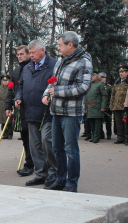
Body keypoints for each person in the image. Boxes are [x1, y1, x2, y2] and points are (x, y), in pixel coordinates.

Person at [42, 31, 93, 193]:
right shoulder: (61, 61)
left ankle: (72, 183)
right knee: (57, 147)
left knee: (71, 149)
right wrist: (46, 94)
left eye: (60, 45)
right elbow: (52, 81)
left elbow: (83, 87)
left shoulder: (84, 62)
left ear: (70, 45)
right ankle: (61, 178)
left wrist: (57, 91)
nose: (58, 48)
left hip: (71, 113)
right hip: (56, 110)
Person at [15, 40, 57, 187]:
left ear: (42, 50)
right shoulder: (27, 68)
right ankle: (40, 173)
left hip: (48, 110)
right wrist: (18, 98)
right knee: (34, 144)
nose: (31, 56)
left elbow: (56, 84)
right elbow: (21, 86)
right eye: (30, 53)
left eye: (33, 53)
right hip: (30, 110)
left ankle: (53, 172)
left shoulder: (54, 65)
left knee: (47, 140)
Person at [5, 45, 34, 176]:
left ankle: (40, 165)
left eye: (22, 54)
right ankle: (29, 165)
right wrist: (7, 106)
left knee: (37, 139)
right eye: (18, 54)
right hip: (20, 109)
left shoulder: (34, 67)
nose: (19, 56)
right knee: (25, 138)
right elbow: (11, 91)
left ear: (29, 54)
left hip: (34, 108)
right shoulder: (16, 71)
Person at [84, 72, 108, 143]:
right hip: (90, 107)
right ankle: (94, 135)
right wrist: (86, 107)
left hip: (97, 106)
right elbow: (87, 97)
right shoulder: (90, 85)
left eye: (93, 76)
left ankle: (96, 137)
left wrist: (103, 106)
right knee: (91, 122)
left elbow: (104, 96)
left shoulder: (101, 84)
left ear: (96, 77)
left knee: (97, 122)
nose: (91, 77)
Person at [110, 63, 128, 144]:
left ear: (127, 73)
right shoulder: (117, 82)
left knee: (126, 123)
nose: (121, 73)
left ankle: (127, 138)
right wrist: (111, 105)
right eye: (120, 72)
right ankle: (120, 137)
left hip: (125, 106)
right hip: (117, 106)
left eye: (123, 72)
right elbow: (113, 94)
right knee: (118, 123)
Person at [0, 75, 13, 139]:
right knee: (2, 120)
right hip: (1, 105)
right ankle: (4, 134)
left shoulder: (11, 87)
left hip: (8, 104)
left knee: (9, 120)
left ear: (8, 81)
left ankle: (10, 134)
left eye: (6, 81)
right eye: (4, 81)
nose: (5, 82)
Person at [99, 72, 112, 140]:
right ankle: (101, 134)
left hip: (107, 106)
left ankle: (109, 134)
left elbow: (111, 97)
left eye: (103, 77)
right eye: (100, 77)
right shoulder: (98, 85)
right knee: (99, 121)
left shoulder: (108, 87)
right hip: (99, 106)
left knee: (108, 121)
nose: (101, 79)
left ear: (105, 78)